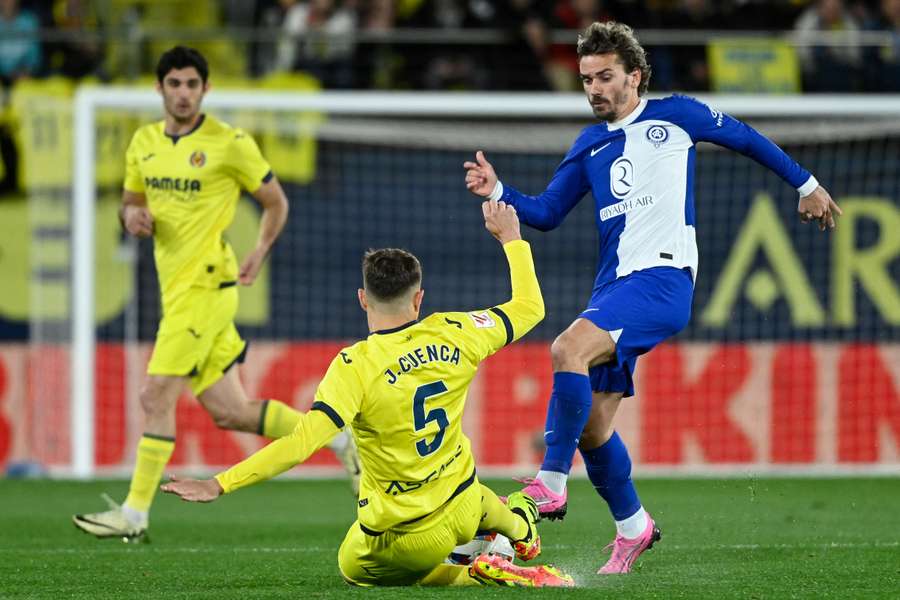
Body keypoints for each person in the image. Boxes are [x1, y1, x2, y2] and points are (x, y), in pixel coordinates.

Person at [464, 21, 841, 574]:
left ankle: (549, 483)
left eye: (605, 76)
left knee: (568, 348)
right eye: (587, 78)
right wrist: (498, 190)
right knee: (593, 426)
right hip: (615, 287)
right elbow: (545, 212)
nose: (594, 88)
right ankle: (634, 527)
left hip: (662, 280)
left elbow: (746, 138)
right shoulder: (589, 144)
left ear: (634, 76)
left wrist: (806, 185)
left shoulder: (677, 115)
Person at [161, 201, 574, 588]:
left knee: (353, 568)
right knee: (480, 499)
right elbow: (530, 307)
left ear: (363, 299)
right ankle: (519, 529)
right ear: (419, 298)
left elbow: (300, 443)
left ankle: (473, 574)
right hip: (463, 503)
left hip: (409, 536)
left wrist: (220, 484)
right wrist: (511, 239)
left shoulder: (354, 365)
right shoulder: (457, 330)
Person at [73, 46, 360, 542]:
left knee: (154, 393)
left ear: (205, 89)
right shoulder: (143, 142)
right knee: (230, 411)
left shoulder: (229, 143)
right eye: (174, 83)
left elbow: (275, 201)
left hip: (207, 285)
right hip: (176, 288)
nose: (182, 92)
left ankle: (134, 515)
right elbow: (128, 202)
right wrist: (131, 218)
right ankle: (337, 438)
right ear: (159, 89)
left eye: (191, 84)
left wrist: (260, 249)